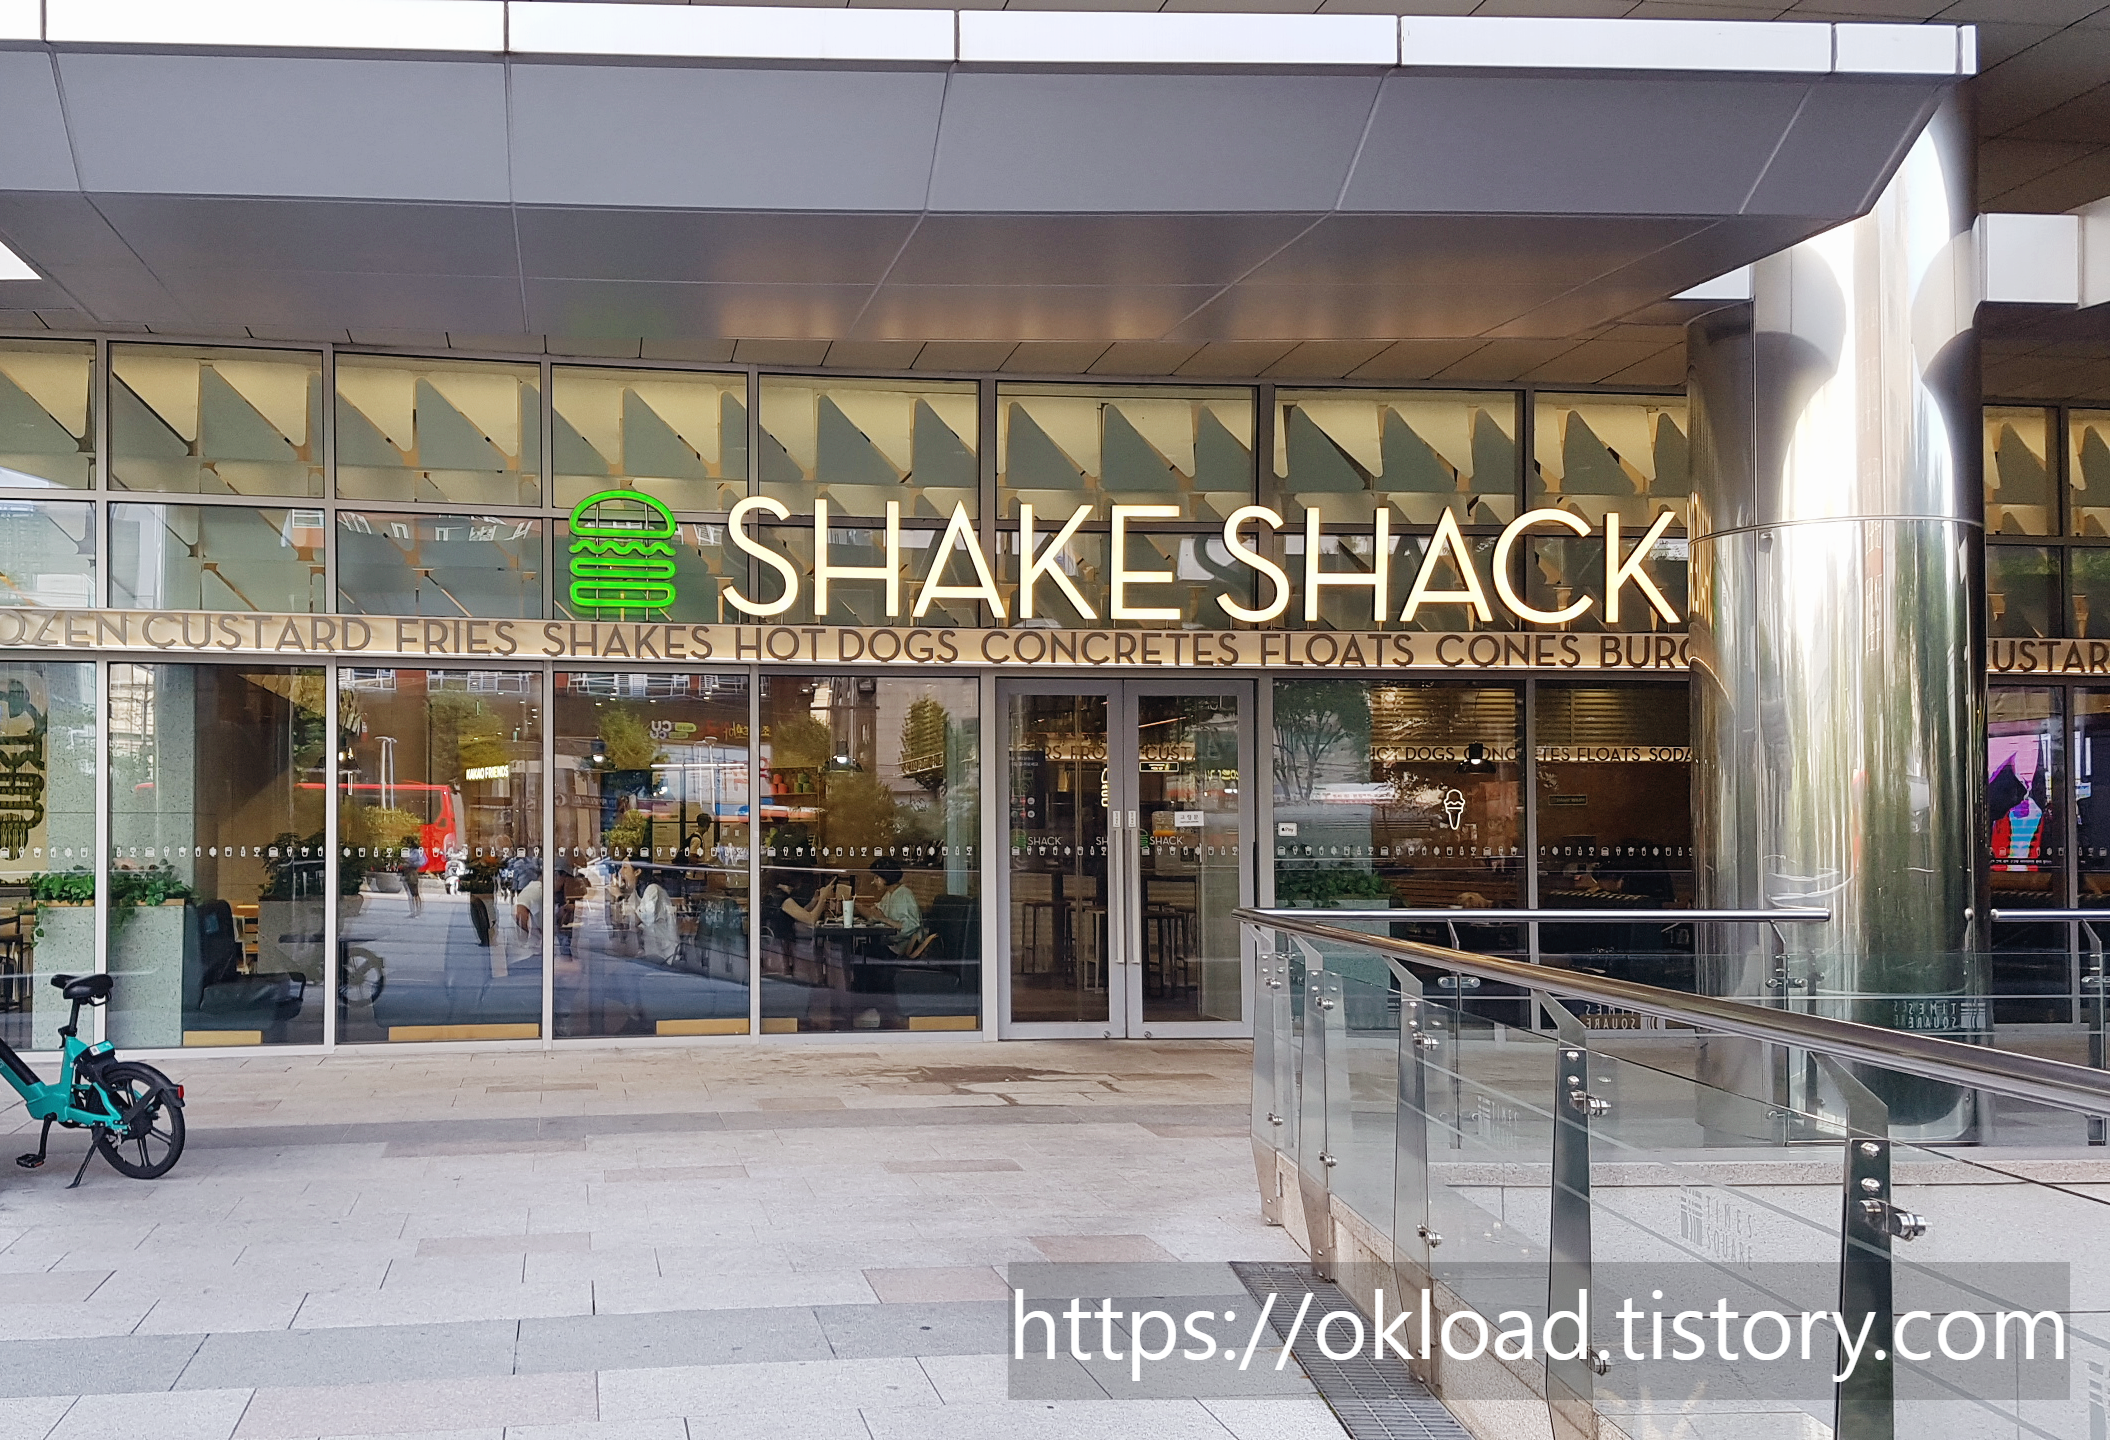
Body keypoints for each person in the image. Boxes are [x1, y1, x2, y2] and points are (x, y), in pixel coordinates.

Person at [857, 858, 925, 956]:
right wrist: (856, 906)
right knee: (861, 948)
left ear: (886, 877)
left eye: (877, 878)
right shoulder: (889, 894)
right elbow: (875, 914)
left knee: (860, 951)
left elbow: (911, 926)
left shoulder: (905, 895)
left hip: (901, 951)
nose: (873, 882)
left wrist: (884, 919)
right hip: (890, 946)